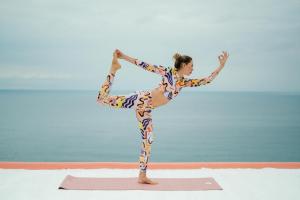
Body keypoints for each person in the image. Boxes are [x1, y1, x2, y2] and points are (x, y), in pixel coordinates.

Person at [97, 49, 229, 184]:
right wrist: (124, 57)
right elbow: (145, 65)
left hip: (147, 109)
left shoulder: (183, 82)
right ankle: (113, 69)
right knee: (102, 99)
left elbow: (206, 80)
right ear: (183, 65)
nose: (193, 69)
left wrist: (221, 66)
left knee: (148, 140)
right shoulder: (167, 72)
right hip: (142, 99)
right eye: (191, 66)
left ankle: (142, 176)